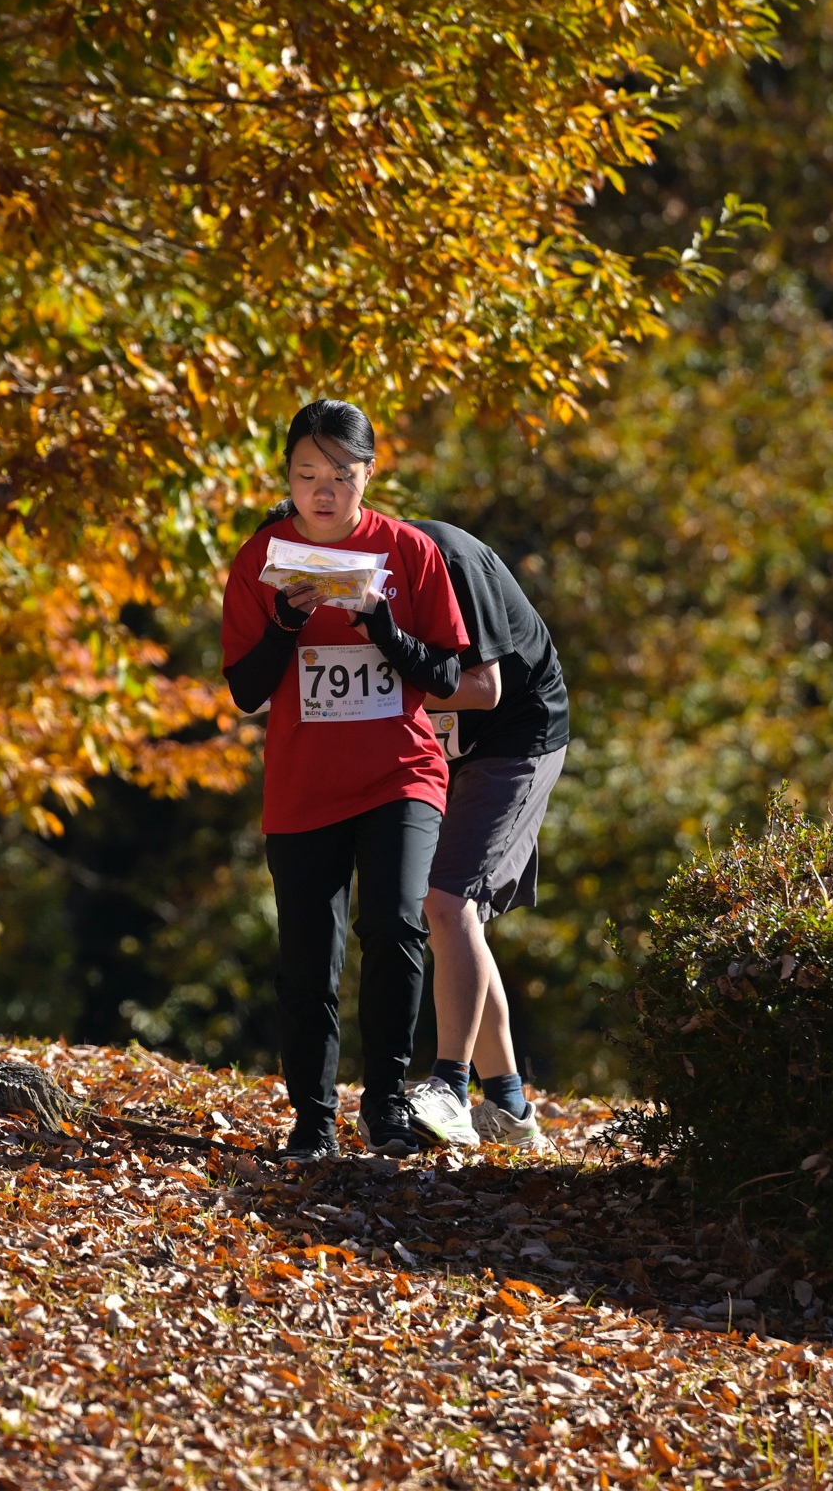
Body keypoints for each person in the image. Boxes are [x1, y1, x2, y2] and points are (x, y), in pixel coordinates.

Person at [221, 400, 470, 1160]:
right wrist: (286, 625)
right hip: (305, 781)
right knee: (308, 958)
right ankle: (312, 1118)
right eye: (306, 475)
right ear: (286, 477)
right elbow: (244, 689)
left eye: (339, 474)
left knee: (394, 926)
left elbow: (446, 676)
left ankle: (386, 1105)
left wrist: (382, 626)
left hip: (401, 771)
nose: (321, 491)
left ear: (369, 474)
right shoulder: (261, 558)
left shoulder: (408, 551)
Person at [399, 519, 570, 1151]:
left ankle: (449, 1087)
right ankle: (510, 1105)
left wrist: (382, 687)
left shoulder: (447, 557)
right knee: (451, 913)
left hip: (518, 735)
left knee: (445, 902)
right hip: (446, 742)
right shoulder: (329, 586)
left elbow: (486, 688)